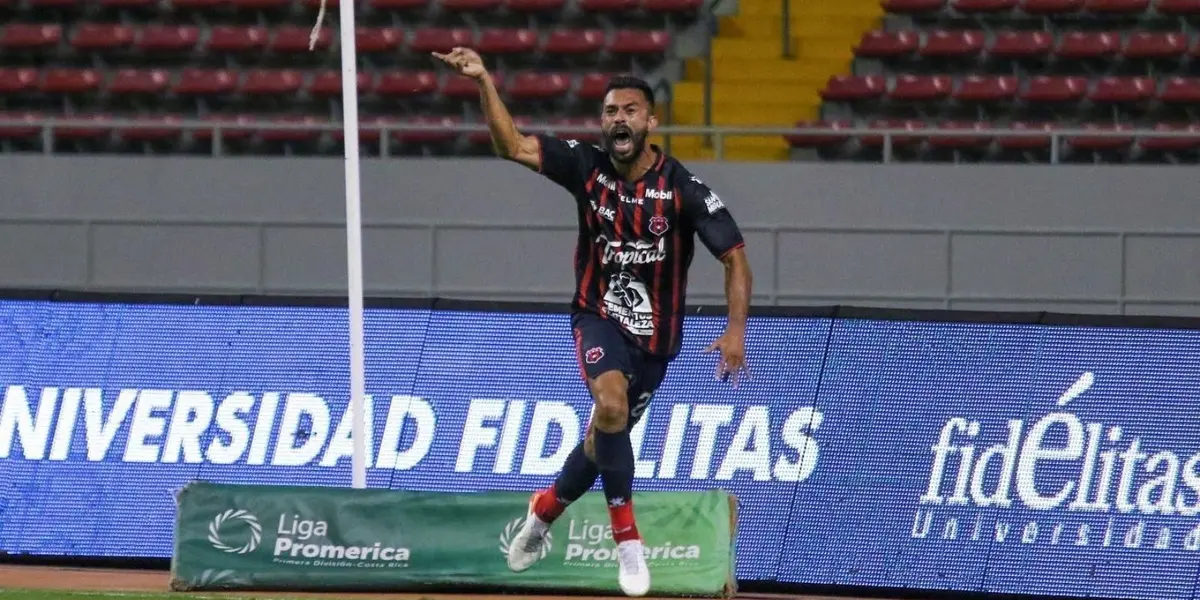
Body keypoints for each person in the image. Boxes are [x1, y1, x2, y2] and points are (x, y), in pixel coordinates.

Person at [433, 48, 753, 597]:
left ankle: (543, 512)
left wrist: (735, 332)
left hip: (655, 344)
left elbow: (736, 259)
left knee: (601, 440)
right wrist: (485, 79)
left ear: (650, 121)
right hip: (596, 316)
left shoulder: (683, 189)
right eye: (609, 111)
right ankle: (627, 539)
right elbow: (510, 145)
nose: (618, 119)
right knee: (610, 406)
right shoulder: (585, 166)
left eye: (630, 110)